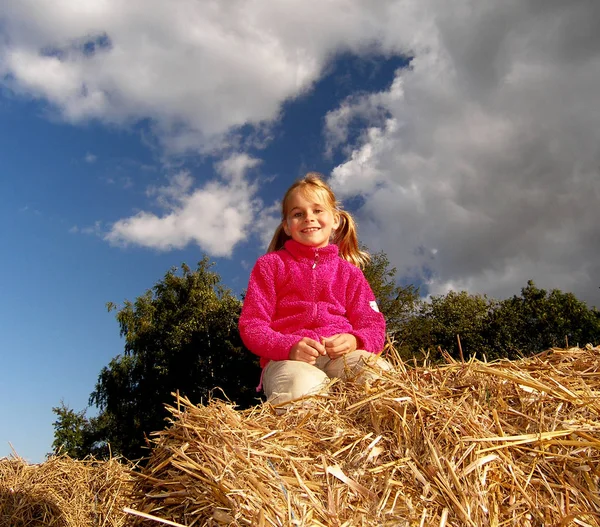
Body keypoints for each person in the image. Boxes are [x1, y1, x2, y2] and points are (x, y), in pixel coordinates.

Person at [239, 172, 391, 408]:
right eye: (298, 214)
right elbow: (252, 326)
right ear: (287, 227)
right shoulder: (270, 265)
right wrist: (288, 347)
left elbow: (374, 326)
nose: (309, 218)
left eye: (318, 210)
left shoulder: (351, 273)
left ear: (335, 220)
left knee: (378, 376)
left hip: (343, 358)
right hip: (288, 362)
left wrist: (354, 340)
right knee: (301, 389)